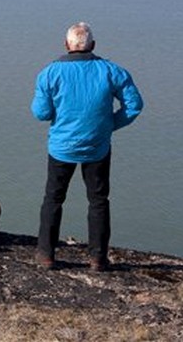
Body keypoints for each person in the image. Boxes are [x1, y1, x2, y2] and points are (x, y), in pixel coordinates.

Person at [31, 22, 143, 271]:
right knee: (98, 200)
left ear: (66, 45)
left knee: (53, 199)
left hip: (61, 147)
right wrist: (108, 125)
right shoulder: (111, 71)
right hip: (97, 147)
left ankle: (47, 255)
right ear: (92, 45)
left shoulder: (49, 73)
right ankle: (97, 258)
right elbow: (134, 105)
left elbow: (40, 113)